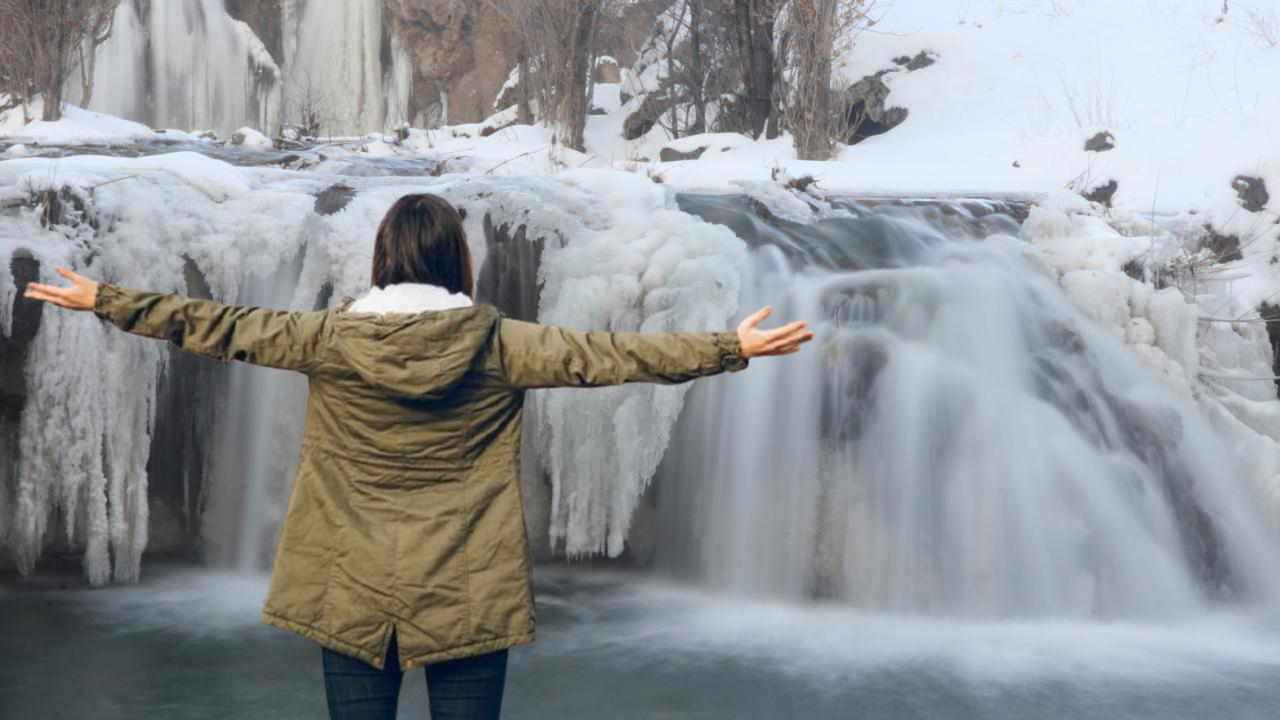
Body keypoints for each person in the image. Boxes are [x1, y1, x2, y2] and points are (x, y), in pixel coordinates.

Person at [23, 192, 815, 720]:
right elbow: (614, 356)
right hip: (469, 588)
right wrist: (726, 347)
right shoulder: (504, 344)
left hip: (350, 589)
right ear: (456, 263)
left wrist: (108, 301)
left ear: (382, 261)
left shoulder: (325, 339)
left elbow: (216, 324)